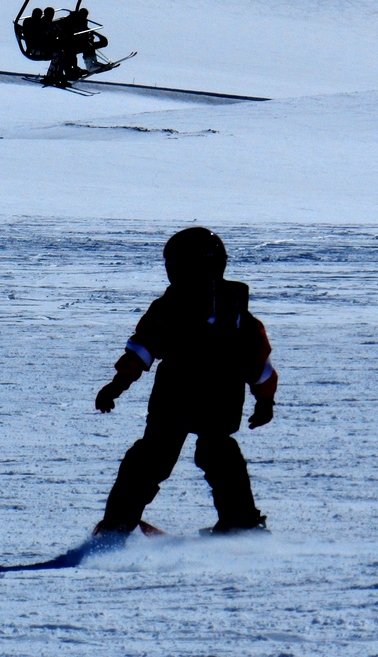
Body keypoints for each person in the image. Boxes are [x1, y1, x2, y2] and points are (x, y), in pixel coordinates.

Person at [94, 227, 278, 540]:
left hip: (177, 393)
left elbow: (143, 347)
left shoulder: (172, 308)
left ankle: (117, 525)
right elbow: (258, 363)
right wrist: (264, 400)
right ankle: (242, 521)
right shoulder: (236, 313)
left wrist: (118, 383)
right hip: (221, 394)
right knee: (217, 452)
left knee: (153, 457)